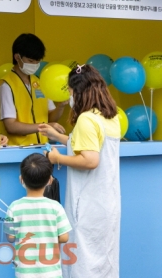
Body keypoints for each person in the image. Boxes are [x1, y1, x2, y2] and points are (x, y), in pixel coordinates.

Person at [38, 64, 121, 278]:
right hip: (107, 202)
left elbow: (90, 159)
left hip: (87, 203)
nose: (70, 96)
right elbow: (88, 144)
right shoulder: (110, 117)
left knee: (83, 261)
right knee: (104, 260)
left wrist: (56, 158)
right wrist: (57, 136)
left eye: (70, 91)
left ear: (79, 91)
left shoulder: (86, 119)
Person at [4, 153, 72, 278]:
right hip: (51, 272)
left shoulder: (14, 207)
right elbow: (64, 237)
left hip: (25, 273)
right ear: (50, 180)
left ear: (21, 179)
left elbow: (10, 237)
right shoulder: (56, 207)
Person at [0, 33, 66, 146]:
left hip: (42, 147)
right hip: (18, 149)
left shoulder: (40, 82)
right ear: (17, 57)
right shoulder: (6, 85)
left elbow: (51, 118)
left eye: (38, 61)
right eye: (31, 61)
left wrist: (61, 106)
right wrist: (44, 126)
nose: (35, 65)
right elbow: (11, 126)